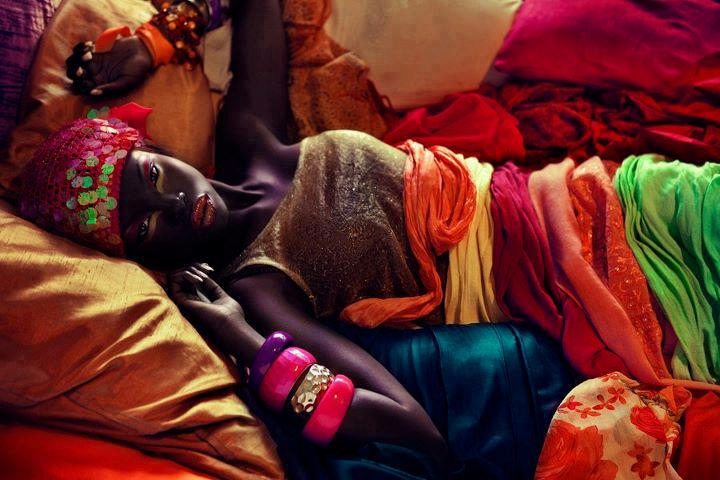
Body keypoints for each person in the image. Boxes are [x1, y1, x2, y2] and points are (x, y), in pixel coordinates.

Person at [20, 0, 578, 478]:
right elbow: (410, 427)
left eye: (155, 177)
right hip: (547, 280)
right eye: (145, 227)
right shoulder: (258, 285)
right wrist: (238, 333)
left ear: (160, 150)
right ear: (143, 259)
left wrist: (155, 42)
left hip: (551, 193)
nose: (173, 206)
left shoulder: (250, 140)